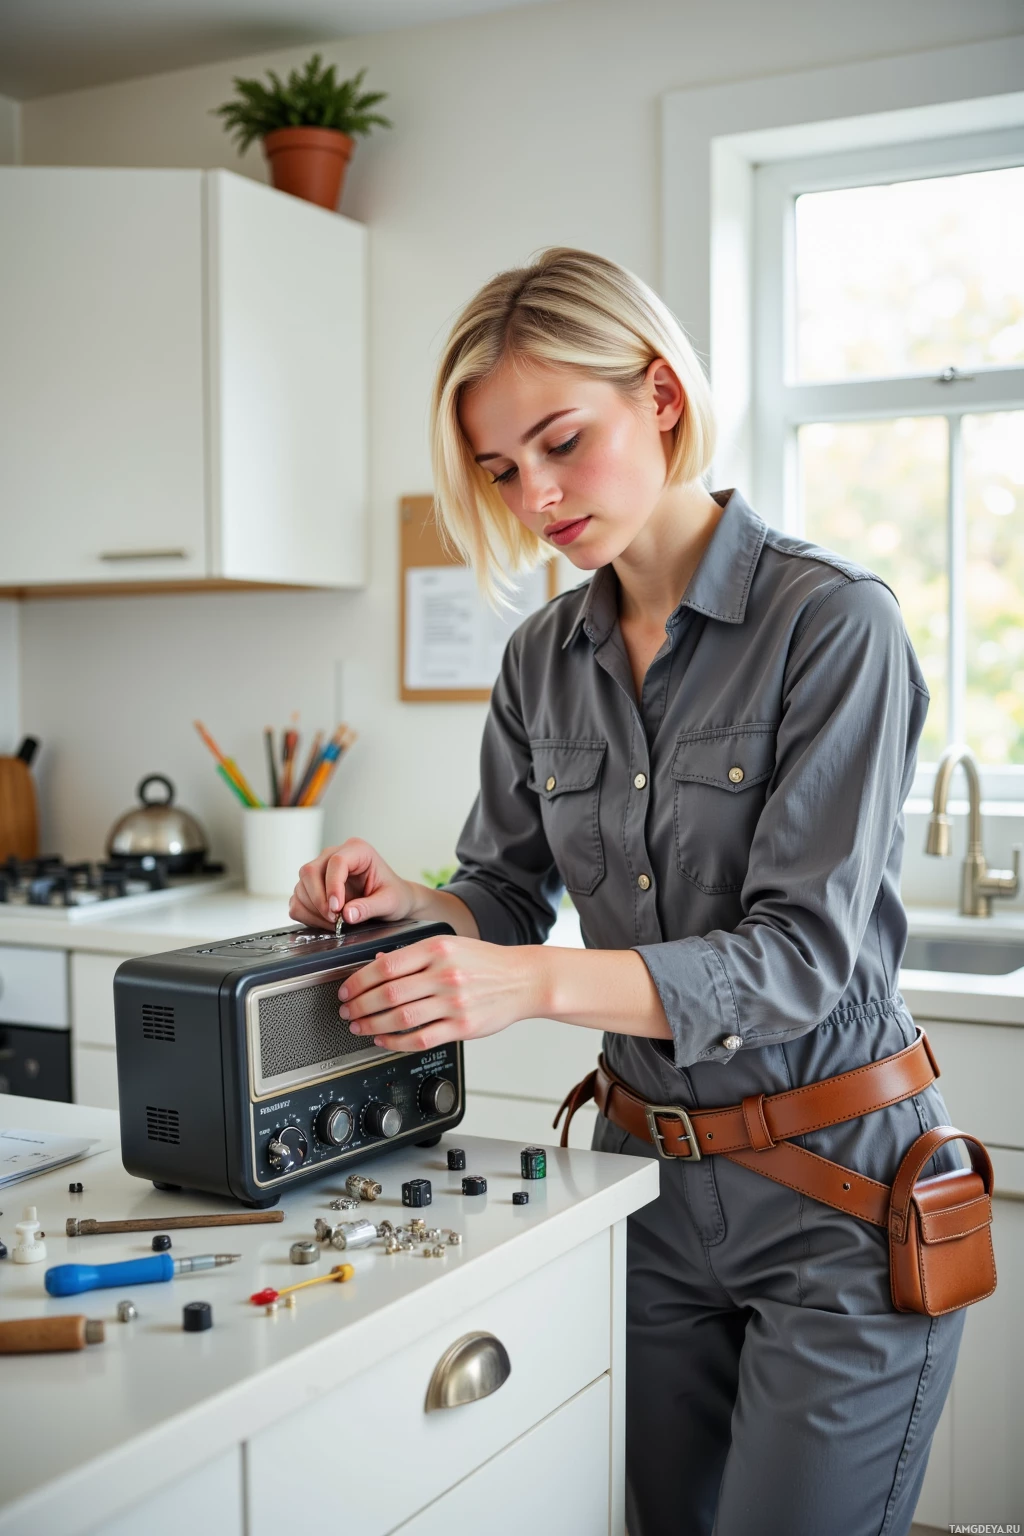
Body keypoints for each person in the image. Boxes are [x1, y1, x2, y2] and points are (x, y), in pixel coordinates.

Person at [289, 247, 963, 1536]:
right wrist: (407, 902)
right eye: (501, 471)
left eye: (561, 442)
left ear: (659, 394)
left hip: (839, 1201)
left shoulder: (835, 625)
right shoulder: (541, 658)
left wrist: (527, 984)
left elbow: (800, 959)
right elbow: (501, 888)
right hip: (641, 1189)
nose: (536, 497)